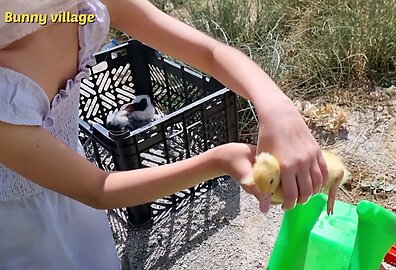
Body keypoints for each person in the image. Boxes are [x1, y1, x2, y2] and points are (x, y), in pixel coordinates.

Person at [0, 0, 329, 268]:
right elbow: (98, 188)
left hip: (74, 198)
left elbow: (209, 53)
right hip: (19, 231)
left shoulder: (72, 8)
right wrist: (221, 159)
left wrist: (277, 108)